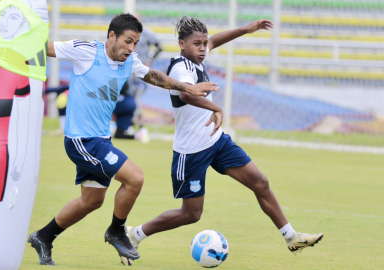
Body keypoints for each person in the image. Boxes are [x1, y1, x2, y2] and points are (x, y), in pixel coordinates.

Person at [124, 16, 323, 265]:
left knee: (260, 183)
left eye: (204, 43)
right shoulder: (180, 68)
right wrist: (216, 109)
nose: (202, 48)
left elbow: (217, 39)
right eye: (197, 43)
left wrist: (246, 29)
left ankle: (291, 237)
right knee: (191, 214)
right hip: (192, 151)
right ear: (181, 43)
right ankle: (135, 234)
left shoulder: (199, 55)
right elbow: (187, 95)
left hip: (217, 142)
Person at [27, 13, 218, 266]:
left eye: (135, 43)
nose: (131, 48)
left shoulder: (130, 61)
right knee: (135, 178)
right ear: (112, 36)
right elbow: (42, 48)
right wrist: (17, 51)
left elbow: (152, 76)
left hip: (101, 141)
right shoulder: (85, 51)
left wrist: (186, 87)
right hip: (82, 140)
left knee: (92, 201)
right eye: (128, 41)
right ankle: (117, 230)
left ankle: (43, 236)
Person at [113, 13, 162, 139]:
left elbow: (159, 46)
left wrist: (149, 61)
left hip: (140, 70)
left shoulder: (146, 33)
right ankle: (127, 126)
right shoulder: (125, 33)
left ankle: (139, 126)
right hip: (127, 69)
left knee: (137, 99)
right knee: (128, 97)